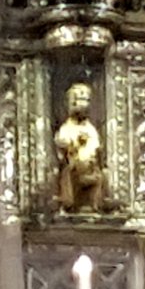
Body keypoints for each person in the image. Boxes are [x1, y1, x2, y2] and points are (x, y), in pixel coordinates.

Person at [54, 83, 105, 212]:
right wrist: (72, 148)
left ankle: (93, 204)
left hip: (90, 168)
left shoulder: (90, 129)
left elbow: (96, 148)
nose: (82, 104)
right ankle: (70, 204)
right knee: (71, 173)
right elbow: (63, 144)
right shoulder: (66, 128)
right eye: (78, 100)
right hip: (74, 169)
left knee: (100, 176)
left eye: (86, 100)